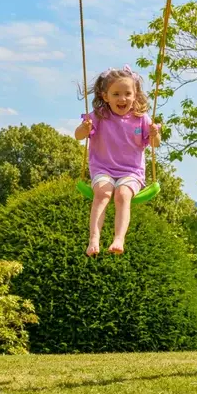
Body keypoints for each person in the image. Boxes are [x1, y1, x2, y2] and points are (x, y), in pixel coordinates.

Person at [74, 64, 161, 257]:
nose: (122, 98)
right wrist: (84, 129)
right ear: (106, 96)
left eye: (127, 93)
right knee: (103, 193)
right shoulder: (99, 116)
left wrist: (155, 133)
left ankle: (119, 239)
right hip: (103, 169)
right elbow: (78, 136)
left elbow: (155, 144)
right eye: (116, 94)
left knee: (122, 195)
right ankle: (94, 239)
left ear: (135, 95)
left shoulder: (141, 118)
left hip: (131, 172)